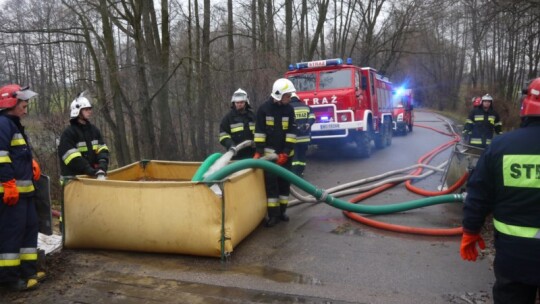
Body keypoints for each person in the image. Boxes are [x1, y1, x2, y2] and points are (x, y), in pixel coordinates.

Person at [460, 78, 540, 304]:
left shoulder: (501, 147)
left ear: (527, 104)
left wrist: (470, 230)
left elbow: (478, 194)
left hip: (514, 258)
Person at [0, 84, 45, 291]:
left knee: (30, 229)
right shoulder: (2, 124)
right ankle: (9, 279)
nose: (26, 109)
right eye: (23, 105)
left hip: (25, 194)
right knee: (12, 235)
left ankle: (29, 271)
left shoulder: (15, 124)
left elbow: (18, 154)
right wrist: (8, 184)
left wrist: (31, 163)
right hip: (11, 194)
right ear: (10, 103)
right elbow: (1, 157)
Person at [253, 78, 297, 227]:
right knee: (271, 186)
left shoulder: (289, 110)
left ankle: (283, 211)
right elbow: (259, 132)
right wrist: (259, 151)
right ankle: (273, 215)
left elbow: (292, 133)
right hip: (269, 157)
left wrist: (286, 153)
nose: (289, 98)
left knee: (284, 185)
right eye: (287, 96)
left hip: (286, 156)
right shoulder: (263, 110)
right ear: (278, 95)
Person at [58, 92, 109, 180]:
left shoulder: (94, 131)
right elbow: (73, 159)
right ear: (77, 111)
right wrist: (90, 170)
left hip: (91, 178)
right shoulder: (68, 134)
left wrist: (102, 167)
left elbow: (102, 150)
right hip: (73, 182)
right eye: (86, 109)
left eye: (90, 109)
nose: (90, 111)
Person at [219, 88, 256, 160]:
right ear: (234, 103)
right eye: (237, 102)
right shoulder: (228, 118)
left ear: (246, 102)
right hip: (235, 156)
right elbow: (223, 136)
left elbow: (258, 133)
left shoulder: (253, 117)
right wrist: (230, 145)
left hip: (252, 155)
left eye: (241, 102)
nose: (239, 104)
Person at [290, 92, 315, 177]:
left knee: (294, 156)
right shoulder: (306, 107)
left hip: (293, 138)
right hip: (305, 138)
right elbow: (312, 118)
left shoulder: (288, 108)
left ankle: (294, 174)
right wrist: (307, 124)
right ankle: (301, 173)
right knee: (302, 156)